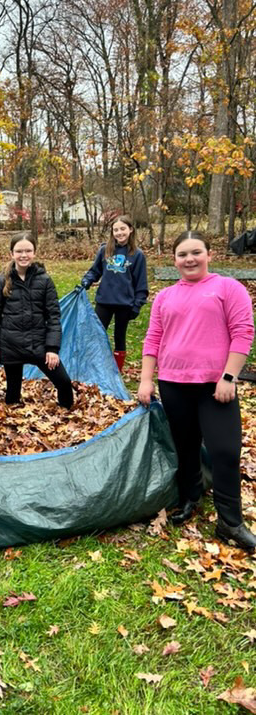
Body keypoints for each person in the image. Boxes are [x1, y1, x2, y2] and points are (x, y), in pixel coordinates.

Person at [137, 231, 256, 550]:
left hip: (215, 387)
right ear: (174, 259)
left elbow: (243, 333)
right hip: (174, 383)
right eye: (182, 254)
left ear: (208, 254)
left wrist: (229, 377)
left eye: (196, 252)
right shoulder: (165, 296)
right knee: (186, 447)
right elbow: (153, 339)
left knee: (225, 452)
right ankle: (189, 499)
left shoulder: (228, 289)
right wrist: (146, 380)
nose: (189, 259)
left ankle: (230, 522)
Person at [0, 232, 73, 409]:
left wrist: (52, 348)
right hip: (11, 345)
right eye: (19, 251)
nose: (23, 255)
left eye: (28, 250)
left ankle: (67, 416)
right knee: (12, 396)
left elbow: (53, 316)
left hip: (38, 344)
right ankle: (13, 430)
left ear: (34, 252)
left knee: (64, 383)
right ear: (12, 253)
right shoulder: (1, 282)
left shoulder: (45, 280)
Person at [78, 215, 148, 371]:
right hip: (104, 301)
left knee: (119, 336)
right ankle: (94, 365)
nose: (119, 233)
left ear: (130, 230)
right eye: (115, 230)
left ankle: (117, 369)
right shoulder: (105, 250)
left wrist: (137, 305)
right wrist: (86, 282)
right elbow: (95, 271)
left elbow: (141, 284)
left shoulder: (137, 255)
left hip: (125, 304)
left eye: (123, 229)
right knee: (96, 333)